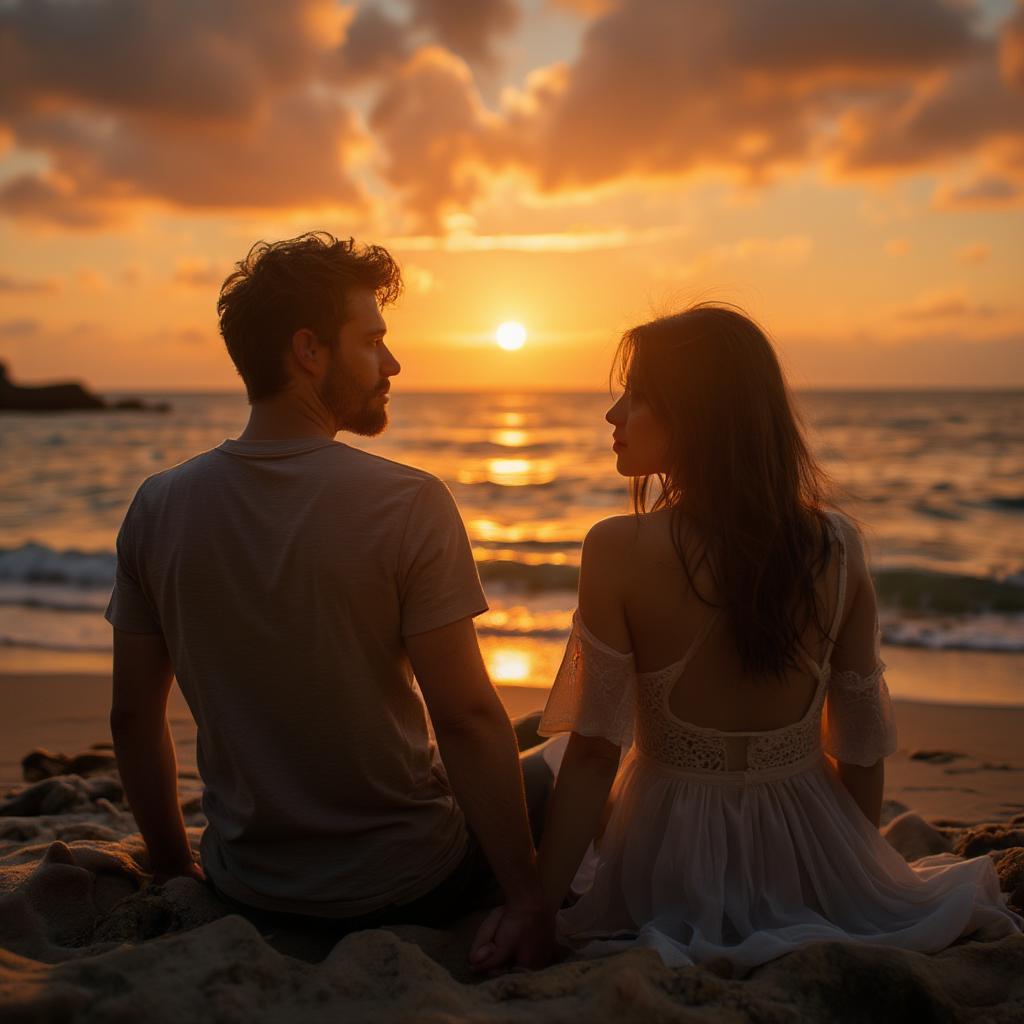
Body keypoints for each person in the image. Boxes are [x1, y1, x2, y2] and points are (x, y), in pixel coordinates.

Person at [512, 304, 1022, 969]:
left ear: (693, 414)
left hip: (671, 853)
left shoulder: (617, 547)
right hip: (806, 844)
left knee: (545, 752)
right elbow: (861, 749)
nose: (613, 415)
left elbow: (594, 756)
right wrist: (846, 872)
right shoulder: (838, 545)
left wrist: (541, 912)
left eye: (636, 396)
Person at [105, 232, 553, 968]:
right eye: (372, 339)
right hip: (410, 882)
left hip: (249, 886)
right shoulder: (407, 501)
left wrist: (172, 863)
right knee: (569, 751)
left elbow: (132, 716)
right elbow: (467, 718)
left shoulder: (158, 505)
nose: (392, 362)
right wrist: (528, 900)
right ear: (309, 351)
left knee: (533, 724)